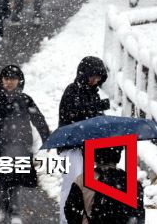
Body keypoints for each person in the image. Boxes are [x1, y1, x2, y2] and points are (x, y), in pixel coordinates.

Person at [0, 64, 50, 224]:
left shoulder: (25, 100)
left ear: (19, 81)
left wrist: (47, 138)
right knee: (2, 180)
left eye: (13, 79)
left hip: (21, 146)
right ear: (1, 81)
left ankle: (15, 211)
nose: (9, 82)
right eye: (6, 79)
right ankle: (2, 208)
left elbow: (38, 119)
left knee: (16, 180)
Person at [57, 57, 109, 224]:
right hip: (71, 147)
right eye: (92, 76)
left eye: (98, 77)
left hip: (89, 147)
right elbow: (73, 115)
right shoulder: (72, 91)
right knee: (71, 184)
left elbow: (94, 121)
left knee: (87, 186)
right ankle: (65, 220)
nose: (95, 80)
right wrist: (98, 107)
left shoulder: (94, 95)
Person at [64, 145, 145, 224]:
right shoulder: (132, 182)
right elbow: (139, 215)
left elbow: (71, 212)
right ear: (118, 156)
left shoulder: (82, 180)